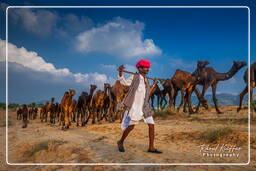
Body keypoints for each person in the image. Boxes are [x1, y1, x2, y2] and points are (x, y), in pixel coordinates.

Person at [117, 59, 162, 154]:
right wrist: (121, 72)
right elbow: (124, 82)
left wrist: (154, 84)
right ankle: (120, 142)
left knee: (151, 125)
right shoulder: (134, 77)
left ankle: (151, 147)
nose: (147, 69)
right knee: (131, 127)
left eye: (148, 67)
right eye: (145, 67)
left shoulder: (146, 80)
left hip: (144, 107)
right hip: (135, 107)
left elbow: (147, 91)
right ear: (140, 68)